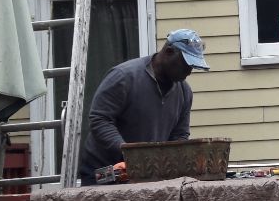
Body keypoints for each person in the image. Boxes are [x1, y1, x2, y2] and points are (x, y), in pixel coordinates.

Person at [78, 29, 209, 185]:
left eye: (193, 66)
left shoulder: (184, 92)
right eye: (186, 64)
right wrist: (130, 154)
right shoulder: (123, 77)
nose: (189, 72)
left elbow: (179, 136)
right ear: (168, 52)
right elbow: (100, 119)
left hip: (147, 175)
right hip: (107, 172)